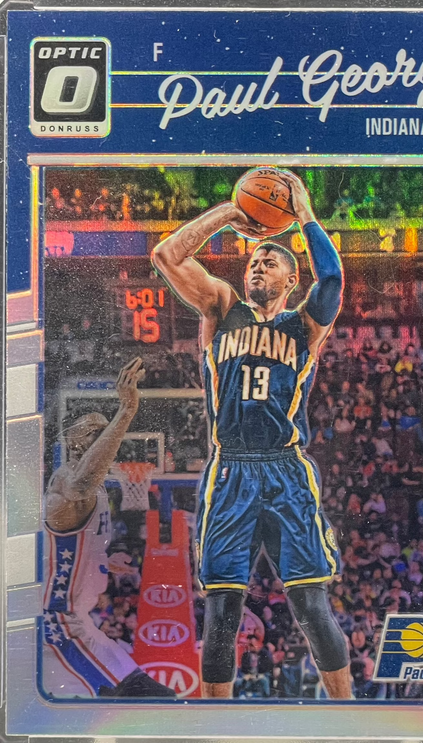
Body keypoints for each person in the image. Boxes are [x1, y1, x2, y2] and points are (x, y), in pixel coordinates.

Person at [152, 170, 351, 699]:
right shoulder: (223, 307)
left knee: (311, 606)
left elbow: (332, 280)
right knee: (222, 611)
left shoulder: (304, 324)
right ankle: (216, 724)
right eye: (253, 262)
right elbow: (167, 256)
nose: (257, 265)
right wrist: (230, 213)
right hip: (232, 467)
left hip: (286, 467)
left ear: (291, 279)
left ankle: (349, 713)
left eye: (269, 261)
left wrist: (304, 214)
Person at [42, 359, 175, 699]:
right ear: (73, 441)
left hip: (79, 622)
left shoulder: (98, 491)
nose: (107, 437)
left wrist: (99, 562)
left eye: (108, 430)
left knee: (156, 699)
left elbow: (69, 544)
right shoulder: (65, 481)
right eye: (95, 432)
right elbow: (79, 486)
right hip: (60, 626)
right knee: (148, 702)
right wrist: (126, 411)